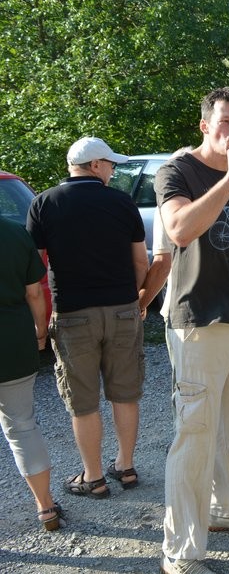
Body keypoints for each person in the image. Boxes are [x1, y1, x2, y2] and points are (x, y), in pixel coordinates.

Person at [156, 87, 229, 574]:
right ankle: (180, 553)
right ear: (205, 125)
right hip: (200, 323)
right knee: (196, 436)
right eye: (226, 121)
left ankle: (227, 509)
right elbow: (180, 230)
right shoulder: (177, 172)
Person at [27, 136, 147, 501]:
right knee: (125, 392)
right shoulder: (122, 202)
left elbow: (35, 272)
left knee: (83, 400)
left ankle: (93, 477)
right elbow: (140, 261)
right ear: (95, 165)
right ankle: (126, 466)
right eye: (109, 164)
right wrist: (132, 298)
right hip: (122, 309)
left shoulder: (44, 203)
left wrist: (39, 323)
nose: (112, 170)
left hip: (73, 313)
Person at [0, 217, 63, 531]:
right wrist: (40, 331)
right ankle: (45, 506)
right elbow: (35, 294)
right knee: (22, 426)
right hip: (12, 339)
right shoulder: (14, 233)